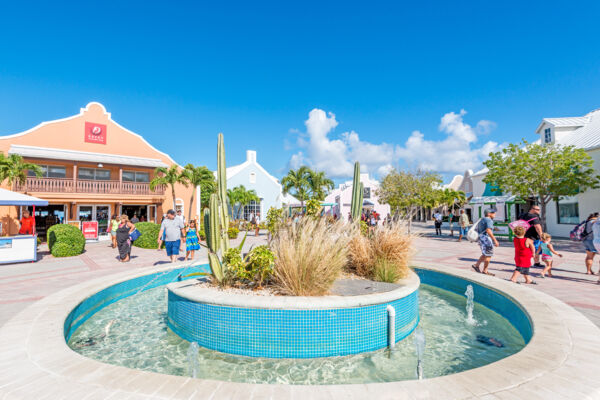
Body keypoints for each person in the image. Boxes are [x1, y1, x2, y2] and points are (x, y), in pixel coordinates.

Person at [472, 209, 499, 276]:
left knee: (485, 254)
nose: (495, 214)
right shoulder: (489, 220)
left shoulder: (482, 219)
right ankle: (485, 271)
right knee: (488, 255)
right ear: (489, 213)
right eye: (493, 213)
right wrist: (495, 240)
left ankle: (476, 265)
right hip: (486, 239)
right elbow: (488, 230)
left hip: (481, 238)